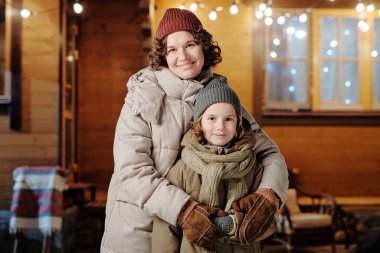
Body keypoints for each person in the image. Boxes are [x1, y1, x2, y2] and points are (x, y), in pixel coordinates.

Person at [100, 8, 288, 253]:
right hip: (141, 231)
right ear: (162, 55)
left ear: (204, 47)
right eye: (172, 49)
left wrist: (268, 196)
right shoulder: (141, 97)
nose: (183, 56)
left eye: (190, 44)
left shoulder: (220, 97)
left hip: (204, 239)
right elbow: (132, 171)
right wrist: (185, 210)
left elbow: (270, 154)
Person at [152, 77, 277, 253]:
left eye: (228, 119)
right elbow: (165, 227)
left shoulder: (253, 167)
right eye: (211, 118)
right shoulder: (182, 169)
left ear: (238, 126)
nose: (220, 126)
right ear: (199, 124)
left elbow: (269, 223)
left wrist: (240, 224)